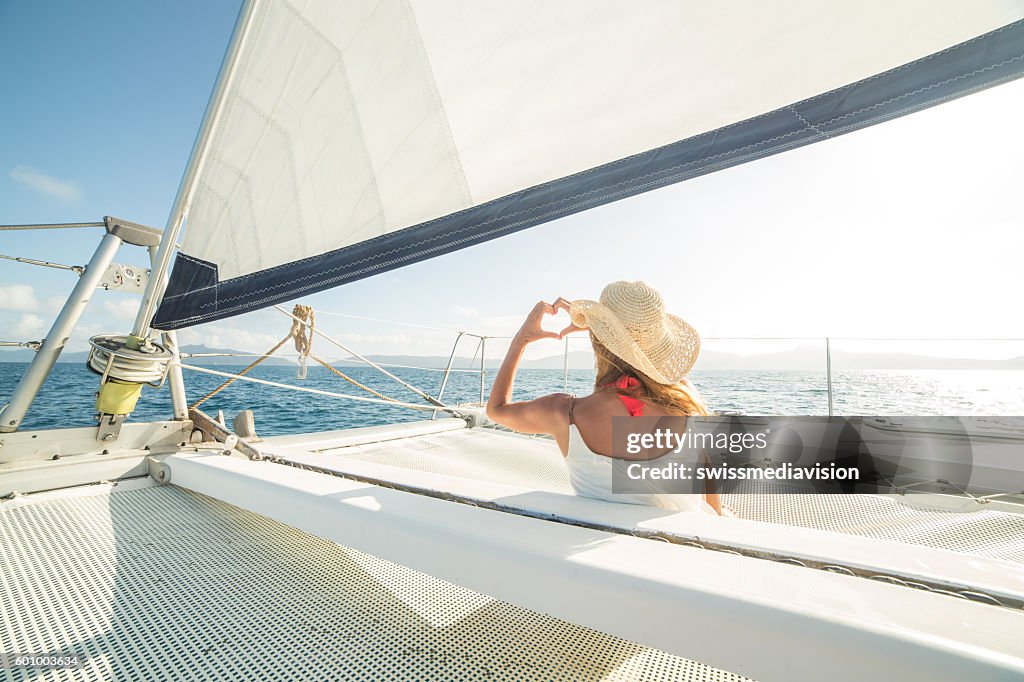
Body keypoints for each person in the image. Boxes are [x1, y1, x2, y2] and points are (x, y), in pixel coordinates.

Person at [486, 280, 729, 516]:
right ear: (658, 345)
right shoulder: (685, 401)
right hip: (682, 547)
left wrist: (522, 339)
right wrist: (717, 518)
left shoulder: (563, 413)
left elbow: (497, 409)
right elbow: (705, 468)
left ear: (596, 339)